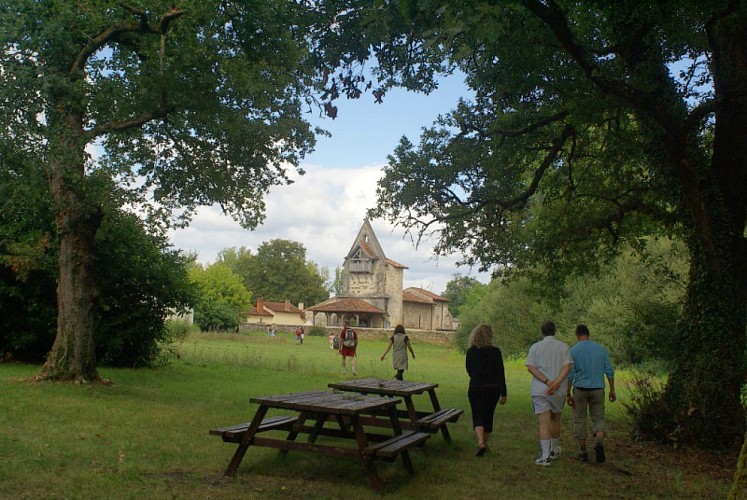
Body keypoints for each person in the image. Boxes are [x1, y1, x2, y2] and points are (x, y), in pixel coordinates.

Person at [525, 320, 573, 466]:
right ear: (554, 331)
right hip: (558, 390)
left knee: (544, 421)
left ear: (542, 331)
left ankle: (545, 456)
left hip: (540, 389)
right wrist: (556, 383)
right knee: (555, 418)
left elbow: (531, 367)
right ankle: (554, 449)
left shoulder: (535, 347)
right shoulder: (564, 347)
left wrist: (547, 382)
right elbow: (567, 366)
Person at [566, 324, 616, 463]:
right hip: (597, 388)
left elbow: (570, 375)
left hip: (580, 389)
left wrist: (568, 394)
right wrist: (612, 389)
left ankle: (583, 452)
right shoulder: (601, 349)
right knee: (598, 418)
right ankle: (599, 442)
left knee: (580, 419)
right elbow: (609, 370)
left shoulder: (573, 351)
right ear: (588, 334)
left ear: (577, 335)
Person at [465, 324, 507, 457]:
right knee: (488, 416)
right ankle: (485, 444)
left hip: (476, 387)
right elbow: (500, 372)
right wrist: (503, 393)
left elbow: (469, 369)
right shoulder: (496, 352)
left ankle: (480, 442)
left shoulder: (471, 351)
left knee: (477, 415)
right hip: (492, 388)